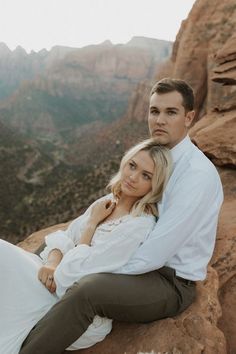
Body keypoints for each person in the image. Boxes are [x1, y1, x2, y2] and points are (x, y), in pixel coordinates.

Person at [20, 78, 223, 354]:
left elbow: (153, 255)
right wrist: (65, 256)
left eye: (171, 112)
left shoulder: (196, 176)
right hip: (132, 255)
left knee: (87, 291)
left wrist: (81, 267)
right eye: (154, 111)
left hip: (167, 280)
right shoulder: (154, 154)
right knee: (42, 254)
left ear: (189, 117)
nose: (160, 120)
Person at [0, 139, 172, 354]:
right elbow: (66, 235)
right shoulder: (109, 200)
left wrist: (91, 225)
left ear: (155, 185)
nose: (133, 177)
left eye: (146, 175)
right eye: (133, 165)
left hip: (71, 306)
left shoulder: (138, 226)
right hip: (52, 281)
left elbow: (73, 278)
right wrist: (52, 262)